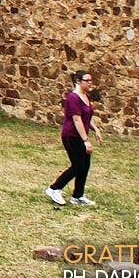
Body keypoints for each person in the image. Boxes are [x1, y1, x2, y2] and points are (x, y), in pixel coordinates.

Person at [45, 69, 104, 207]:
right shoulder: (73, 98)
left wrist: (96, 129)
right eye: (87, 81)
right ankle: (54, 189)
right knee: (78, 165)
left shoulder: (86, 96)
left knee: (85, 166)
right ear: (78, 81)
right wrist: (86, 141)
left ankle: (78, 196)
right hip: (72, 136)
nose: (90, 83)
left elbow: (86, 118)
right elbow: (77, 120)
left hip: (81, 135)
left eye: (91, 80)